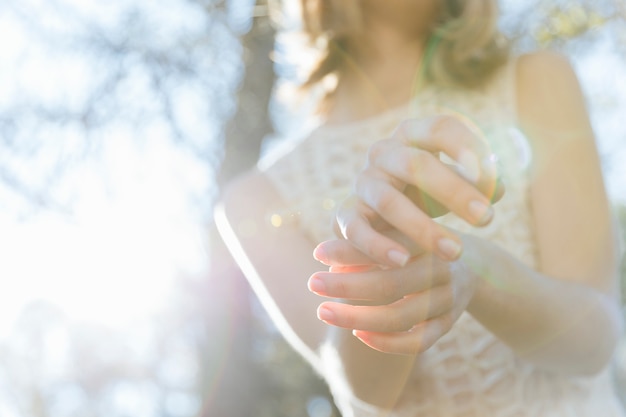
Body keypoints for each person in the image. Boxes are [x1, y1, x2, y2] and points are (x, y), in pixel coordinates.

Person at [215, 0, 626, 415]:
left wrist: (475, 268)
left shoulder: (536, 81)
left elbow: (595, 339)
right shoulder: (255, 200)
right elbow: (368, 393)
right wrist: (383, 254)